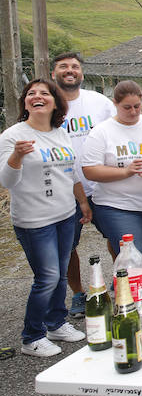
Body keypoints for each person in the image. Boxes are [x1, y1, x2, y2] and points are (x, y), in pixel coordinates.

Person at [1, 79, 90, 356]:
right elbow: (6, 180)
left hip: (65, 214)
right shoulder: (13, 136)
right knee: (47, 277)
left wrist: (82, 202)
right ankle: (32, 336)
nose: (37, 96)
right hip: (34, 220)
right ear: (25, 102)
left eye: (44, 93)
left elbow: (71, 171)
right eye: (31, 93)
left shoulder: (60, 132)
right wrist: (16, 156)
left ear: (55, 102)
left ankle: (55, 323)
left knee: (61, 274)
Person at [51, 52, 115, 319]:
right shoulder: (47, 104)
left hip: (102, 185)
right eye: (64, 66)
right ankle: (78, 293)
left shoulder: (99, 102)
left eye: (75, 67)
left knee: (117, 236)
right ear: (54, 72)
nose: (70, 70)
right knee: (68, 248)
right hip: (64, 190)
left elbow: (122, 125)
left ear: (81, 73)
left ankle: (119, 280)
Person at [81, 81, 142, 269]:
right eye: (127, 107)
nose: (133, 112)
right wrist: (125, 171)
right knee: (134, 257)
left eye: (137, 106)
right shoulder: (101, 131)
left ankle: (138, 296)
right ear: (115, 104)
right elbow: (90, 170)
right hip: (117, 205)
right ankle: (130, 297)